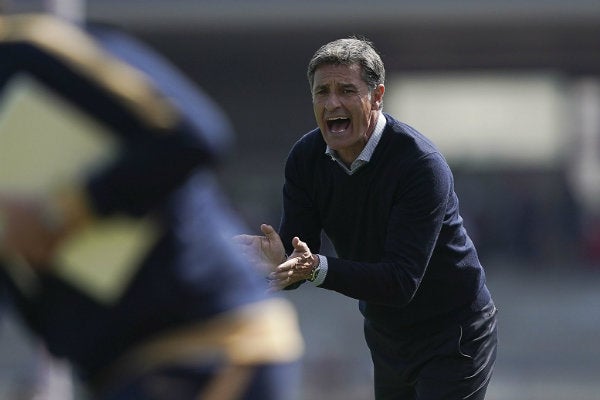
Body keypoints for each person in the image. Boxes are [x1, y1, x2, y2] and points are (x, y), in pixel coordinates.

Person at [0, 13, 302, 400]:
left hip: (204, 346)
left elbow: (194, 133)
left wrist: (61, 213)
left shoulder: (29, 54)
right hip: (123, 371)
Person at [236, 37, 498, 400]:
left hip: (453, 334)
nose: (332, 103)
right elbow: (299, 263)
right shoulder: (305, 159)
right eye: (322, 91)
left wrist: (314, 269)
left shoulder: (419, 165)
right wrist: (276, 262)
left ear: (377, 97)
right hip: (386, 336)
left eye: (346, 90)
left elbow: (400, 282)